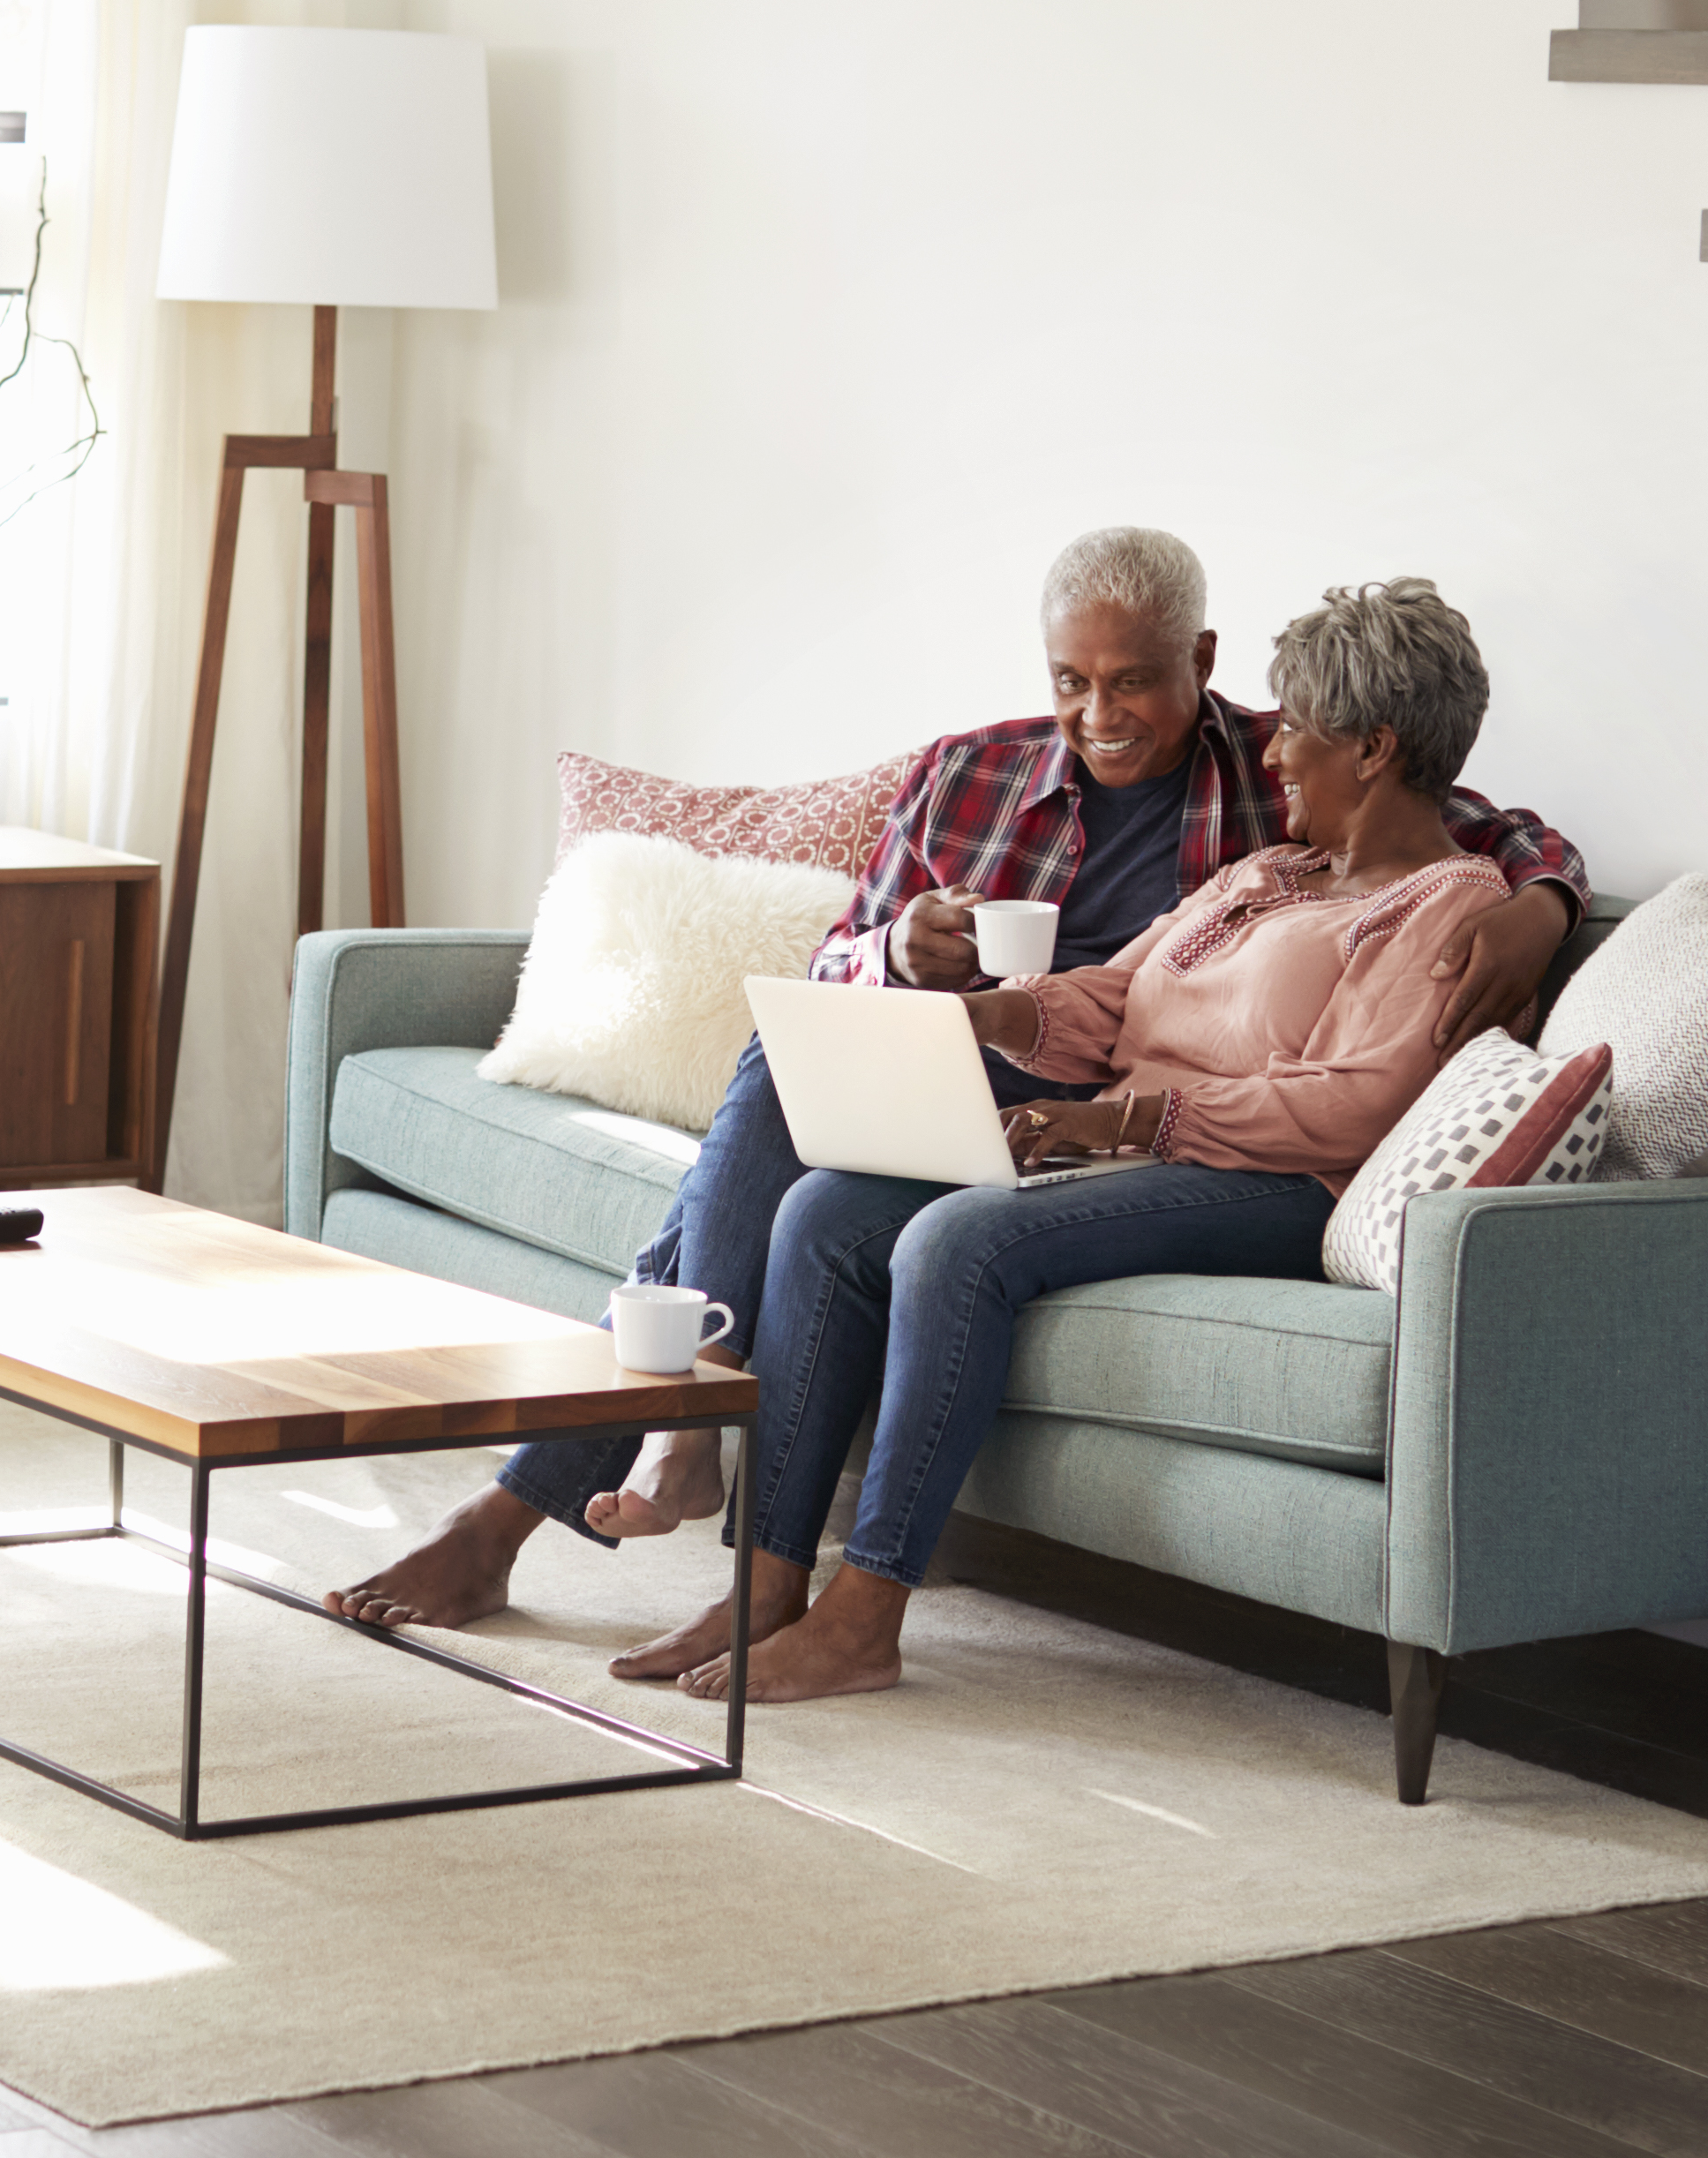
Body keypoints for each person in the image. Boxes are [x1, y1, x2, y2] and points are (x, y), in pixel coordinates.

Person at [322, 529, 1587, 1634]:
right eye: (1072, 681)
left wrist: (1545, 901)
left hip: (1120, 1110)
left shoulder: (1277, 782)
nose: (1100, 713)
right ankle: (696, 1466)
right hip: (1004, 1049)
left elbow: (1453, 819)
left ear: (1203, 663)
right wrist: (910, 965)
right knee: (789, 1072)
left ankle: (600, 1473)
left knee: (854, 1212)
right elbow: (892, 968)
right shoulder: (1004, 783)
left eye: (1136, 680)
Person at [634, 575, 1523, 1697]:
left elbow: (1356, 1096)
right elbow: (1120, 995)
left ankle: (868, 1610)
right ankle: (764, 1582)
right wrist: (987, 1014)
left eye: (1299, 727)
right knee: (824, 1209)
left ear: (1377, 748)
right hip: (1136, 1148)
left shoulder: (1449, 905)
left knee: (957, 1239)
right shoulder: (1269, 873)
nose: (1277, 752)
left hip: (1273, 1181)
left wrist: (1119, 1118)